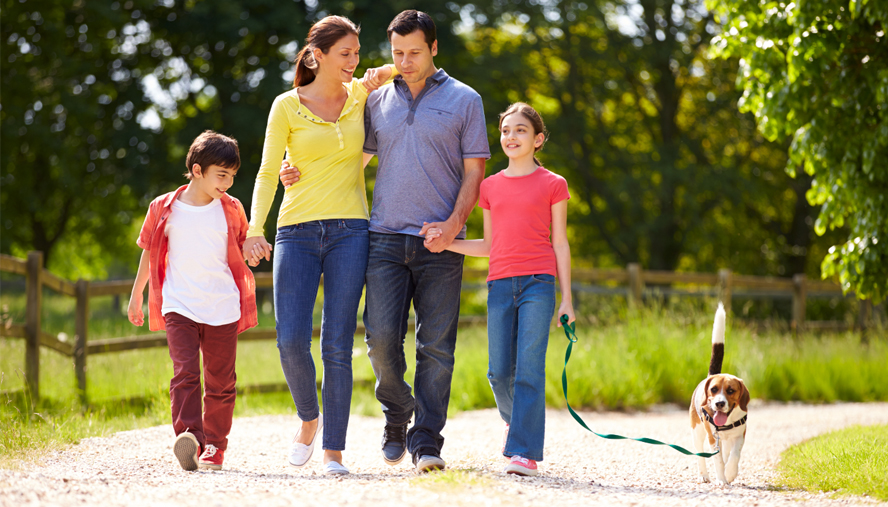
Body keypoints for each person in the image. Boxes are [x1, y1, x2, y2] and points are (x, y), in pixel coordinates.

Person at [279, 9, 490, 473]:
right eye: (398, 53)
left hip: (442, 242)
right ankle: (397, 411)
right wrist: (292, 172)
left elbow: (475, 170)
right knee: (379, 341)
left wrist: (455, 225)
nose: (406, 61)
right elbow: (349, 158)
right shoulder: (375, 101)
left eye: (415, 52)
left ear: (434, 48)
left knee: (436, 346)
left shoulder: (465, 99)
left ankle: (426, 442)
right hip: (383, 237)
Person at [241, 15, 395, 476]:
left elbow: (404, 65)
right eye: (345, 53)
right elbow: (269, 171)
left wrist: (378, 73)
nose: (354, 60)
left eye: (357, 52)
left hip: (352, 230)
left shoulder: (361, 94)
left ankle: (334, 451)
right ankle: (309, 417)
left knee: (336, 344)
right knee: (290, 340)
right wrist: (255, 227)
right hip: (297, 231)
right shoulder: (287, 105)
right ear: (318, 56)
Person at [424, 102, 575, 477]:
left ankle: (524, 452)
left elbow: (560, 243)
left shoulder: (554, 184)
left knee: (528, 369)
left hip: (539, 285)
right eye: (506, 130)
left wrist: (567, 299)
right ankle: (516, 423)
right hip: (499, 284)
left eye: (521, 130)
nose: (511, 136)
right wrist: (447, 241)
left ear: (538, 139)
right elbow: (488, 246)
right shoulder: (489, 187)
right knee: (498, 372)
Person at [127, 130, 258, 472]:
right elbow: (148, 252)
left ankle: (214, 445)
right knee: (185, 372)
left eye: (232, 176)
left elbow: (244, 245)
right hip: (179, 304)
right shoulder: (164, 208)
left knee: (220, 381)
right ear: (198, 170)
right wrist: (136, 295)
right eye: (222, 175)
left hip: (222, 306)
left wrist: (254, 249)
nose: (228, 183)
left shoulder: (231, 209)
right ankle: (189, 437)